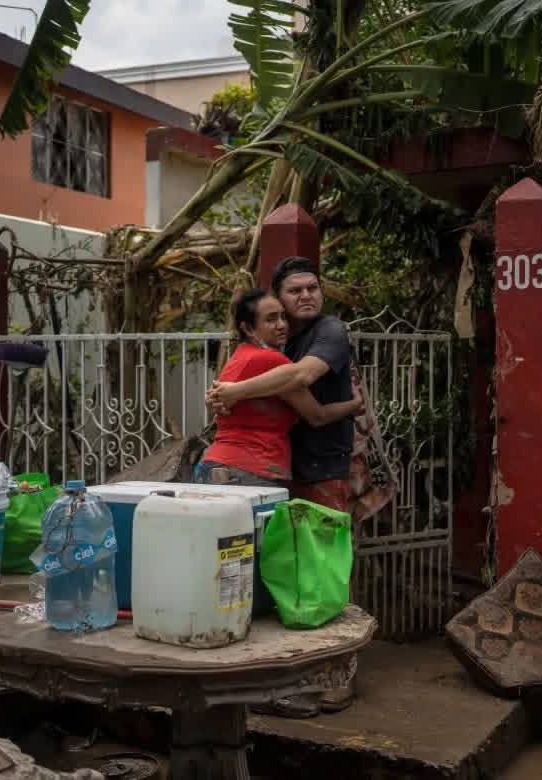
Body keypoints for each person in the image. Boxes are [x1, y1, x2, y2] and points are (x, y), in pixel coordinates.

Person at [207, 256, 357, 717]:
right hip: (275, 473)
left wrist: (232, 393)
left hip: (321, 467)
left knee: (330, 572)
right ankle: (278, 679)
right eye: (294, 292)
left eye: (313, 287)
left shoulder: (328, 332)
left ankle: (338, 678)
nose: (306, 296)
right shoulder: (281, 341)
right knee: (284, 576)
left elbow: (299, 378)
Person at [195, 288, 363, 488]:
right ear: (248, 328)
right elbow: (318, 416)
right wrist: (354, 404)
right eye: (271, 319)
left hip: (215, 465)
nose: (282, 325)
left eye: (283, 317)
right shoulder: (272, 360)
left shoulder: (239, 357)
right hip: (251, 471)